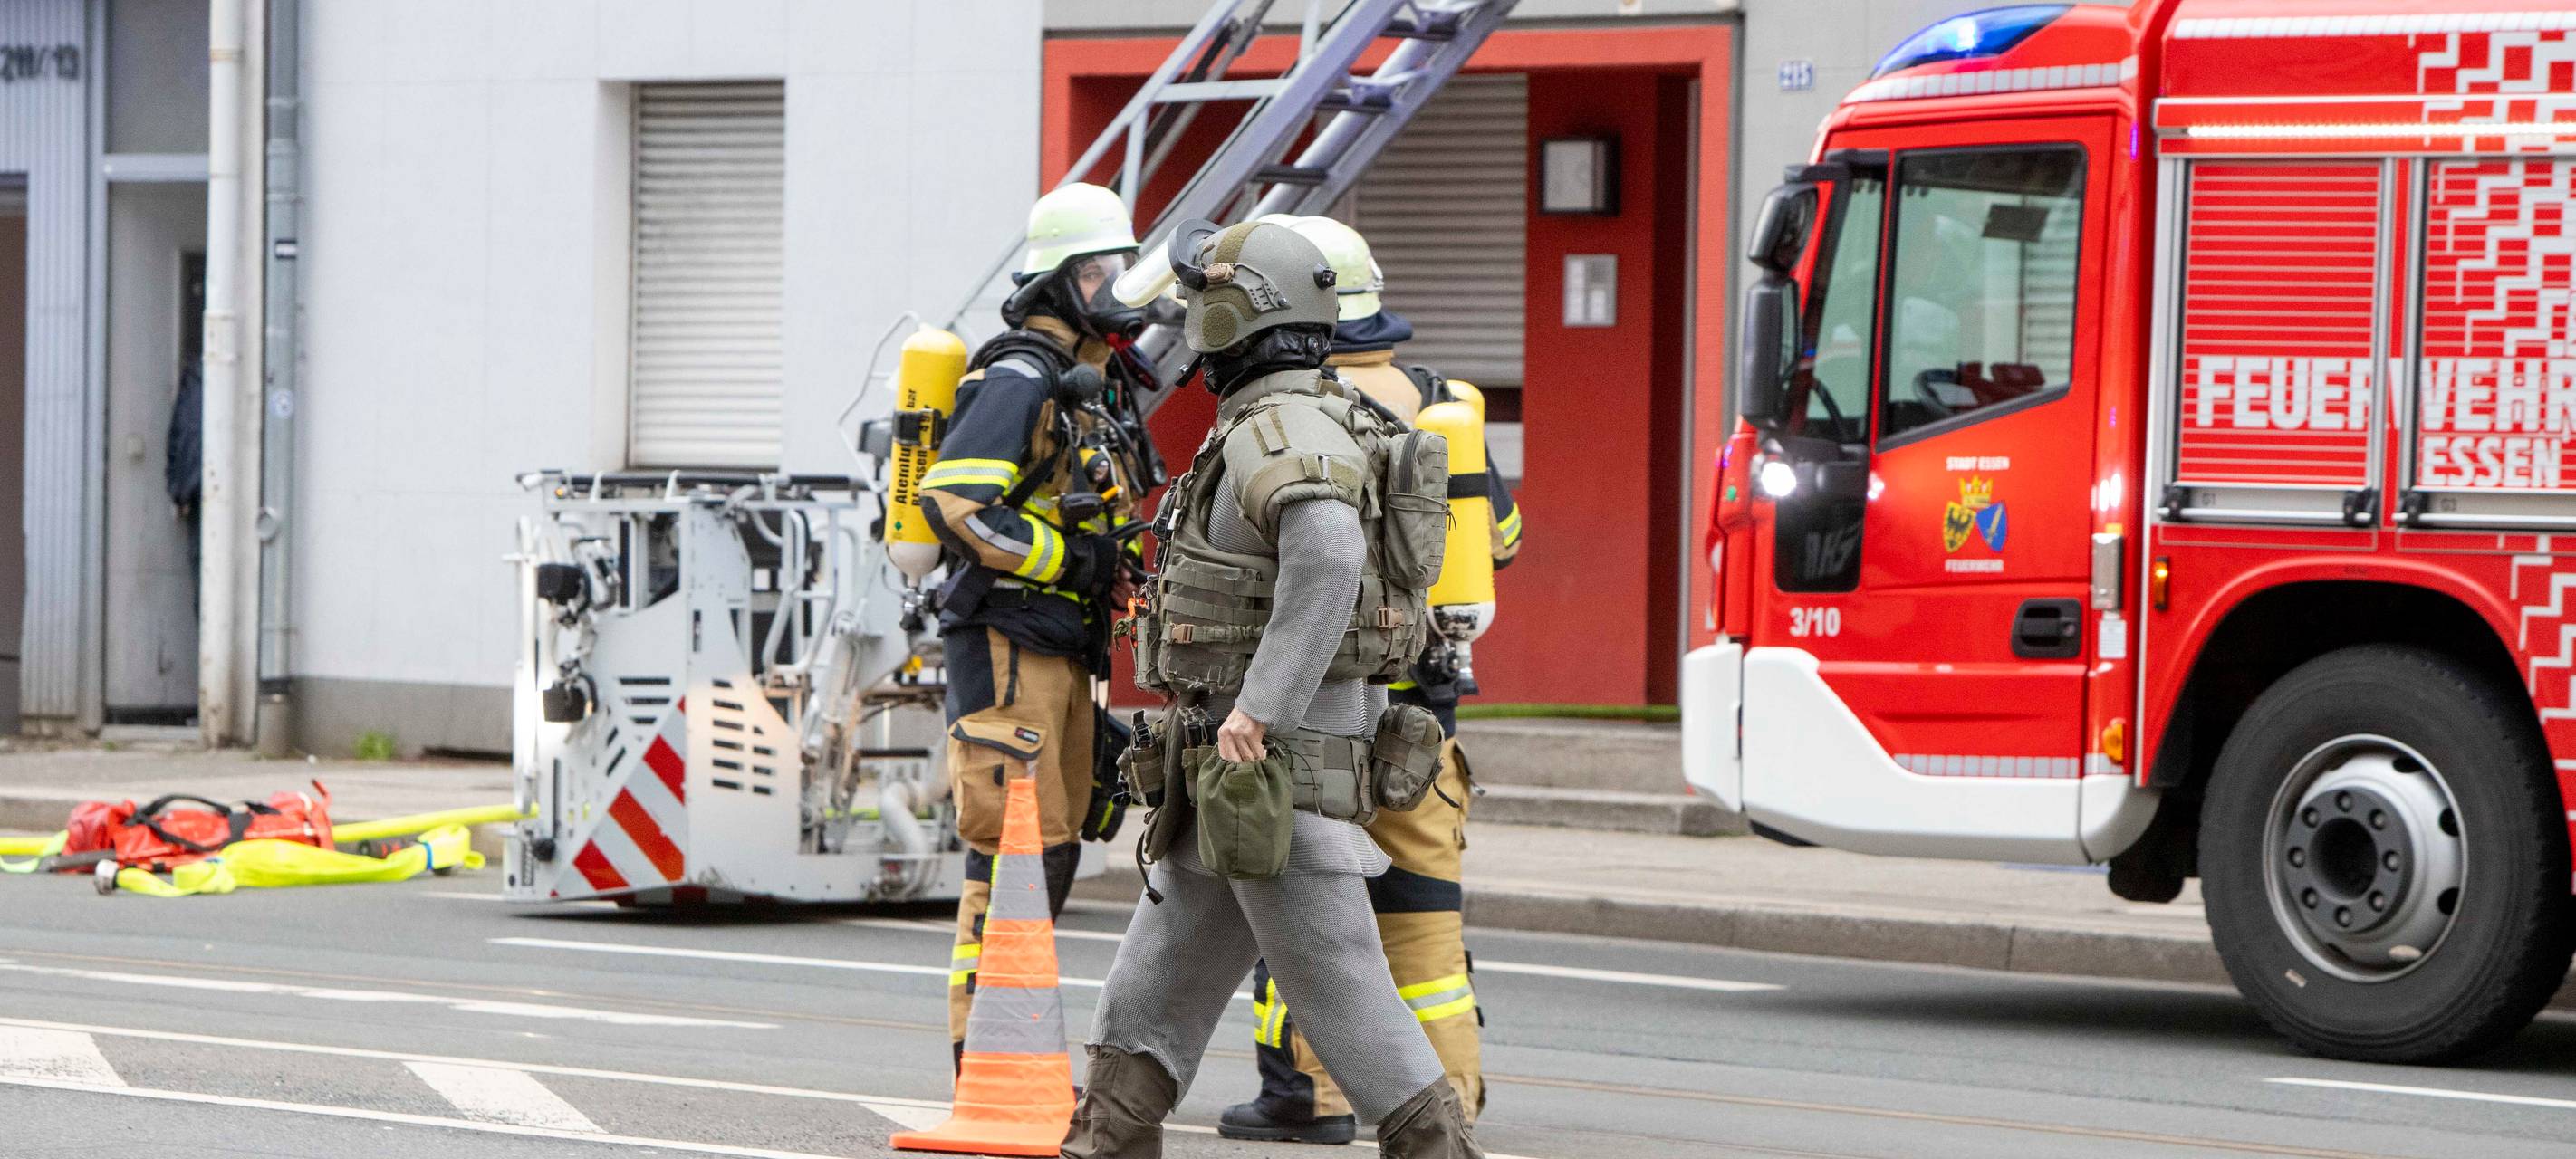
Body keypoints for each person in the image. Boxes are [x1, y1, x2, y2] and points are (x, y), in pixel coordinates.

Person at [1062, 218, 1481, 1159]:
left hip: (1269, 765)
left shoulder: (1279, 428)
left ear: (1231, 314)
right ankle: (1104, 1139)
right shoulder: (1314, 414)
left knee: (1341, 987)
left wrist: (1261, 705)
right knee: (1154, 976)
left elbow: (1328, 553)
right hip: (1238, 770)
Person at [1219, 216, 1519, 1145]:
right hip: (1428, 722)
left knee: (1302, 907)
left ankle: (1309, 1093)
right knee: (1427, 932)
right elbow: (1499, 539)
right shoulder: (1440, 403)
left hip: (1324, 712)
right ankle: (1451, 1107)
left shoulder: (1294, 411)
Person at [918, 182, 1149, 1069]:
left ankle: (1013, 1053)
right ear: (1056, 279)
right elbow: (954, 503)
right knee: (1010, 851)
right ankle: (983, 1060)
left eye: (1118, 267)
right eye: (1097, 270)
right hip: (1010, 638)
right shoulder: (1019, 374)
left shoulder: (1085, 377)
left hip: (1062, 644)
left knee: (1052, 850)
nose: (1114, 286)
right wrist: (1066, 560)